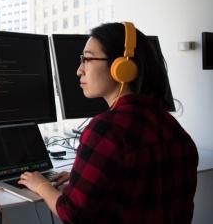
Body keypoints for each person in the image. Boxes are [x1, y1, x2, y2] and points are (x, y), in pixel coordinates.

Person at [18, 22, 198, 223]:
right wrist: (84, 179)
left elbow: (73, 214)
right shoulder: (173, 128)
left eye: (87, 59)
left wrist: (41, 185)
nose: (79, 70)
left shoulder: (106, 129)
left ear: (122, 67)